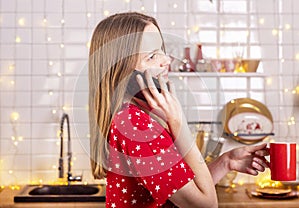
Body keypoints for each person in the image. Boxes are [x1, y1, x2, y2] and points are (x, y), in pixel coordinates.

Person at [88, 12, 269, 208]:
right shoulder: (136, 125)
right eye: (152, 56)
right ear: (123, 71)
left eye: (161, 50)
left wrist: (226, 162)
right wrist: (179, 123)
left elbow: (181, 187)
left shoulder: (133, 117)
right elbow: (205, 205)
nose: (166, 60)